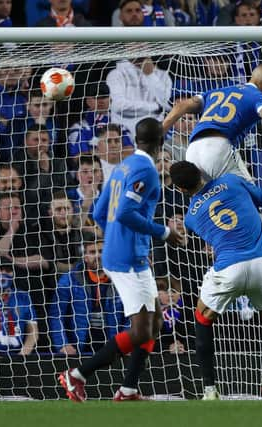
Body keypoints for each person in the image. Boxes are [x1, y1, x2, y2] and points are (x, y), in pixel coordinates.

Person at [58, 118, 184, 402]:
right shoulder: (147, 171)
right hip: (127, 258)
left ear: (135, 141)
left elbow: (101, 212)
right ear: (160, 142)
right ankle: (76, 374)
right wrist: (164, 232)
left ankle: (128, 388)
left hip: (129, 253)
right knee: (142, 330)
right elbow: (126, 212)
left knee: (154, 323)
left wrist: (117, 238)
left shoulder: (121, 168)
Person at [163, 63, 262, 291]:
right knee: (252, 203)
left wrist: (162, 130)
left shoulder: (219, 91)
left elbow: (183, 104)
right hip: (219, 148)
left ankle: (212, 262)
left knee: (207, 202)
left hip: (193, 149)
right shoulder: (255, 96)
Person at [169, 160, 262, 400]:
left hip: (227, 270)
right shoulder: (231, 181)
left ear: (181, 190)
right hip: (261, 265)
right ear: (201, 171)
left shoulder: (191, 217)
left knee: (202, 321)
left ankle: (210, 390)